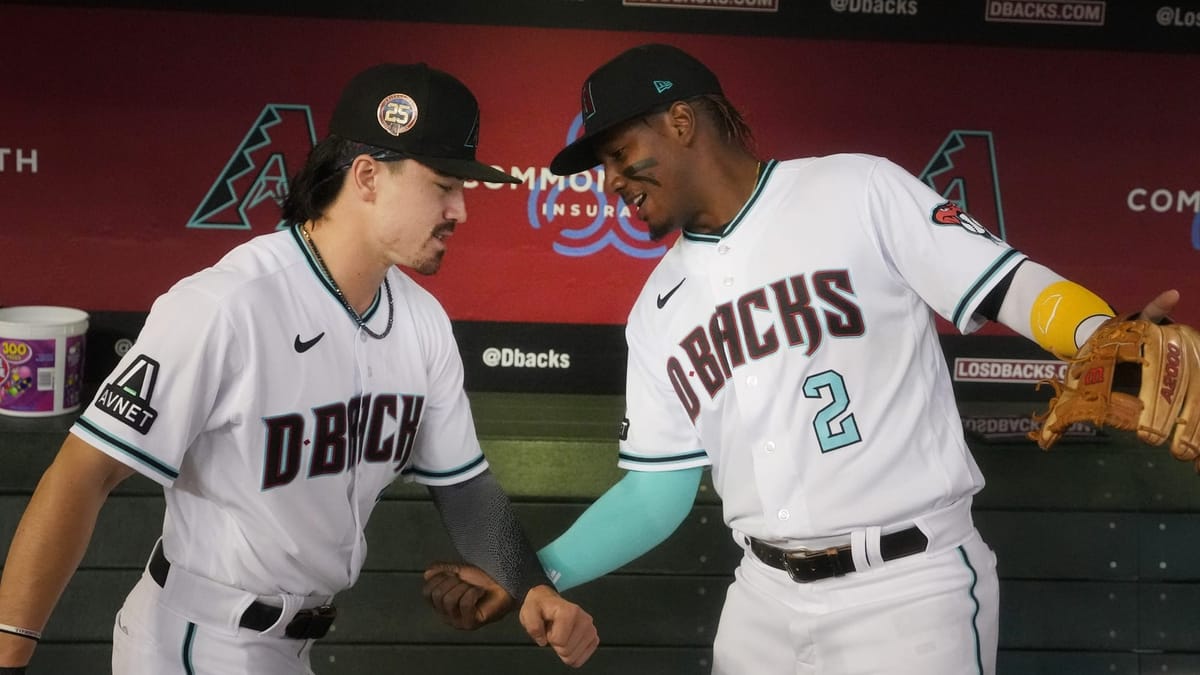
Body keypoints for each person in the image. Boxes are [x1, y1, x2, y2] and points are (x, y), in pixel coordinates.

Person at [422, 43, 1181, 674]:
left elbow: (1009, 281)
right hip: (762, 604)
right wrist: (532, 571)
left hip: (908, 592)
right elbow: (655, 496)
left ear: (682, 121)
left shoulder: (854, 190)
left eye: (621, 154)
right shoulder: (657, 308)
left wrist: (1096, 334)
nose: (612, 182)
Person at [0, 62, 598, 675]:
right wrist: (10, 653)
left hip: (293, 647)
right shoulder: (226, 304)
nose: (461, 209)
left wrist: (533, 586)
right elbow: (81, 474)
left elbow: (463, 487)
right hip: (196, 641)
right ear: (366, 176)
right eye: (444, 183)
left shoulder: (423, 324)